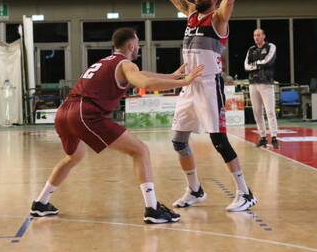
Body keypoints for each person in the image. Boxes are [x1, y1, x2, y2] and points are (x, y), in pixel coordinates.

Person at [30, 27, 205, 224]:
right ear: (131, 45)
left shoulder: (107, 62)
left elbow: (143, 74)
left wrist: (173, 76)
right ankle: (152, 208)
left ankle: (41, 202)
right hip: (85, 113)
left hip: (64, 112)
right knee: (141, 150)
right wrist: (185, 82)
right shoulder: (126, 65)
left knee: (74, 156)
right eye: (137, 43)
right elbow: (145, 83)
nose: (138, 46)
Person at [164, 0, 257, 212]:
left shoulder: (217, 19)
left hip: (208, 85)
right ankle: (195, 190)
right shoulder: (192, 15)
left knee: (219, 141)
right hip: (189, 86)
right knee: (178, 142)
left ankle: (245, 193)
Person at [244, 28, 279, 148]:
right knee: (257, 112)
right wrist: (258, 65)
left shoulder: (271, 47)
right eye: (254, 35)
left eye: (258, 35)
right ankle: (263, 137)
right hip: (253, 83)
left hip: (266, 83)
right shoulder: (251, 49)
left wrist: (256, 64)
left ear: (264, 36)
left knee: (270, 111)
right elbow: (246, 66)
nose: (256, 37)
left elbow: (268, 61)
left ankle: (274, 137)